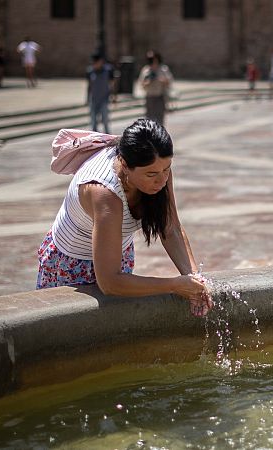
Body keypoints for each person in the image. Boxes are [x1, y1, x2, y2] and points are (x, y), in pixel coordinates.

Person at [38, 119, 213, 317]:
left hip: (116, 256)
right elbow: (110, 282)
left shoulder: (157, 167)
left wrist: (193, 278)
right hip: (71, 265)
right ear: (125, 164)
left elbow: (170, 227)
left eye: (167, 169)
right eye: (151, 174)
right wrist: (173, 285)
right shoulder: (104, 192)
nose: (162, 180)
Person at [138, 50, 173, 125]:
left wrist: (161, 80)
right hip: (149, 97)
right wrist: (147, 82)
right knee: (149, 121)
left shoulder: (163, 69)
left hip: (159, 97)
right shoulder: (146, 70)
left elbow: (169, 82)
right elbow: (141, 83)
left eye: (153, 59)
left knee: (160, 121)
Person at [86, 53, 115, 133]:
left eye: (96, 62)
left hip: (104, 99)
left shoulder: (108, 70)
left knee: (105, 120)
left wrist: (113, 96)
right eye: (93, 63)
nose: (94, 64)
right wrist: (87, 98)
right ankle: (94, 139)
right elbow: (89, 86)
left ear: (101, 61)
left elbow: (112, 84)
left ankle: (108, 137)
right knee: (93, 122)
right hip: (94, 100)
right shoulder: (90, 71)